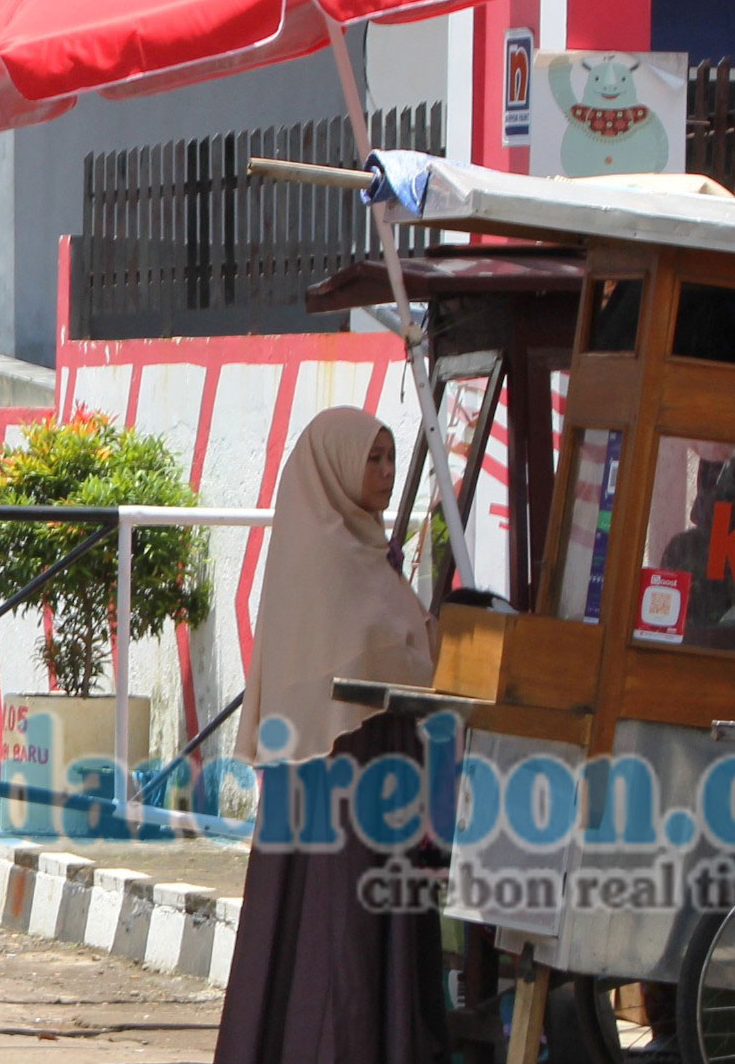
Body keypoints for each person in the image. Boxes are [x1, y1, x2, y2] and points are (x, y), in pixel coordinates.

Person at [215, 406, 443, 1064]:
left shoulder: (367, 548)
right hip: (342, 766)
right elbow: (368, 653)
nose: (384, 472)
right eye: (371, 458)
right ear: (336, 465)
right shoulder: (327, 556)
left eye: (389, 457)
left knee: (355, 923)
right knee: (341, 927)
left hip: (370, 762)